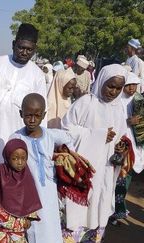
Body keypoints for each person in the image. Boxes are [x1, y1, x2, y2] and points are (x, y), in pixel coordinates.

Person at [61, 64, 128, 242]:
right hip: (84, 170)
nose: (113, 92)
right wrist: (98, 136)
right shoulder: (86, 103)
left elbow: (122, 137)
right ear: (101, 82)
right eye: (110, 86)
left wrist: (121, 147)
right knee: (79, 210)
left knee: (100, 204)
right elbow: (66, 129)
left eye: (118, 88)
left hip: (106, 170)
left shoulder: (119, 108)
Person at [11, 93, 73, 243]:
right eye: (28, 115)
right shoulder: (16, 138)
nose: (32, 120)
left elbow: (70, 139)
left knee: (51, 228)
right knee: (33, 230)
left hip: (49, 193)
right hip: (29, 195)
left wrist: (62, 154)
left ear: (44, 115)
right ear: (21, 114)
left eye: (37, 116)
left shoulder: (51, 135)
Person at [0, 23, 47, 156]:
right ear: (13, 44)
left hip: (19, 138)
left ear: (35, 49)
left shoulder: (37, 75)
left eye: (29, 50)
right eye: (21, 47)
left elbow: (41, 113)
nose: (24, 52)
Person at [0, 138, 42, 243]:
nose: (20, 162)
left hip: (19, 232)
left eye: (23, 158)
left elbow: (30, 198)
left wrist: (29, 219)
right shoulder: (0, 172)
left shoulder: (26, 175)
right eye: (15, 158)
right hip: (1, 230)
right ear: (8, 157)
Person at [109, 72, 143, 225]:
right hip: (120, 146)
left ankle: (118, 209)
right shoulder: (116, 101)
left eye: (134, 86)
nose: (131, 89)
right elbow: (113, 121)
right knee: (116, 178)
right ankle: (112, 210)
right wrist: (128, 121)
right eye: (128, 85)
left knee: (126, 178)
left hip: (134, 147)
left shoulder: (138, 102)